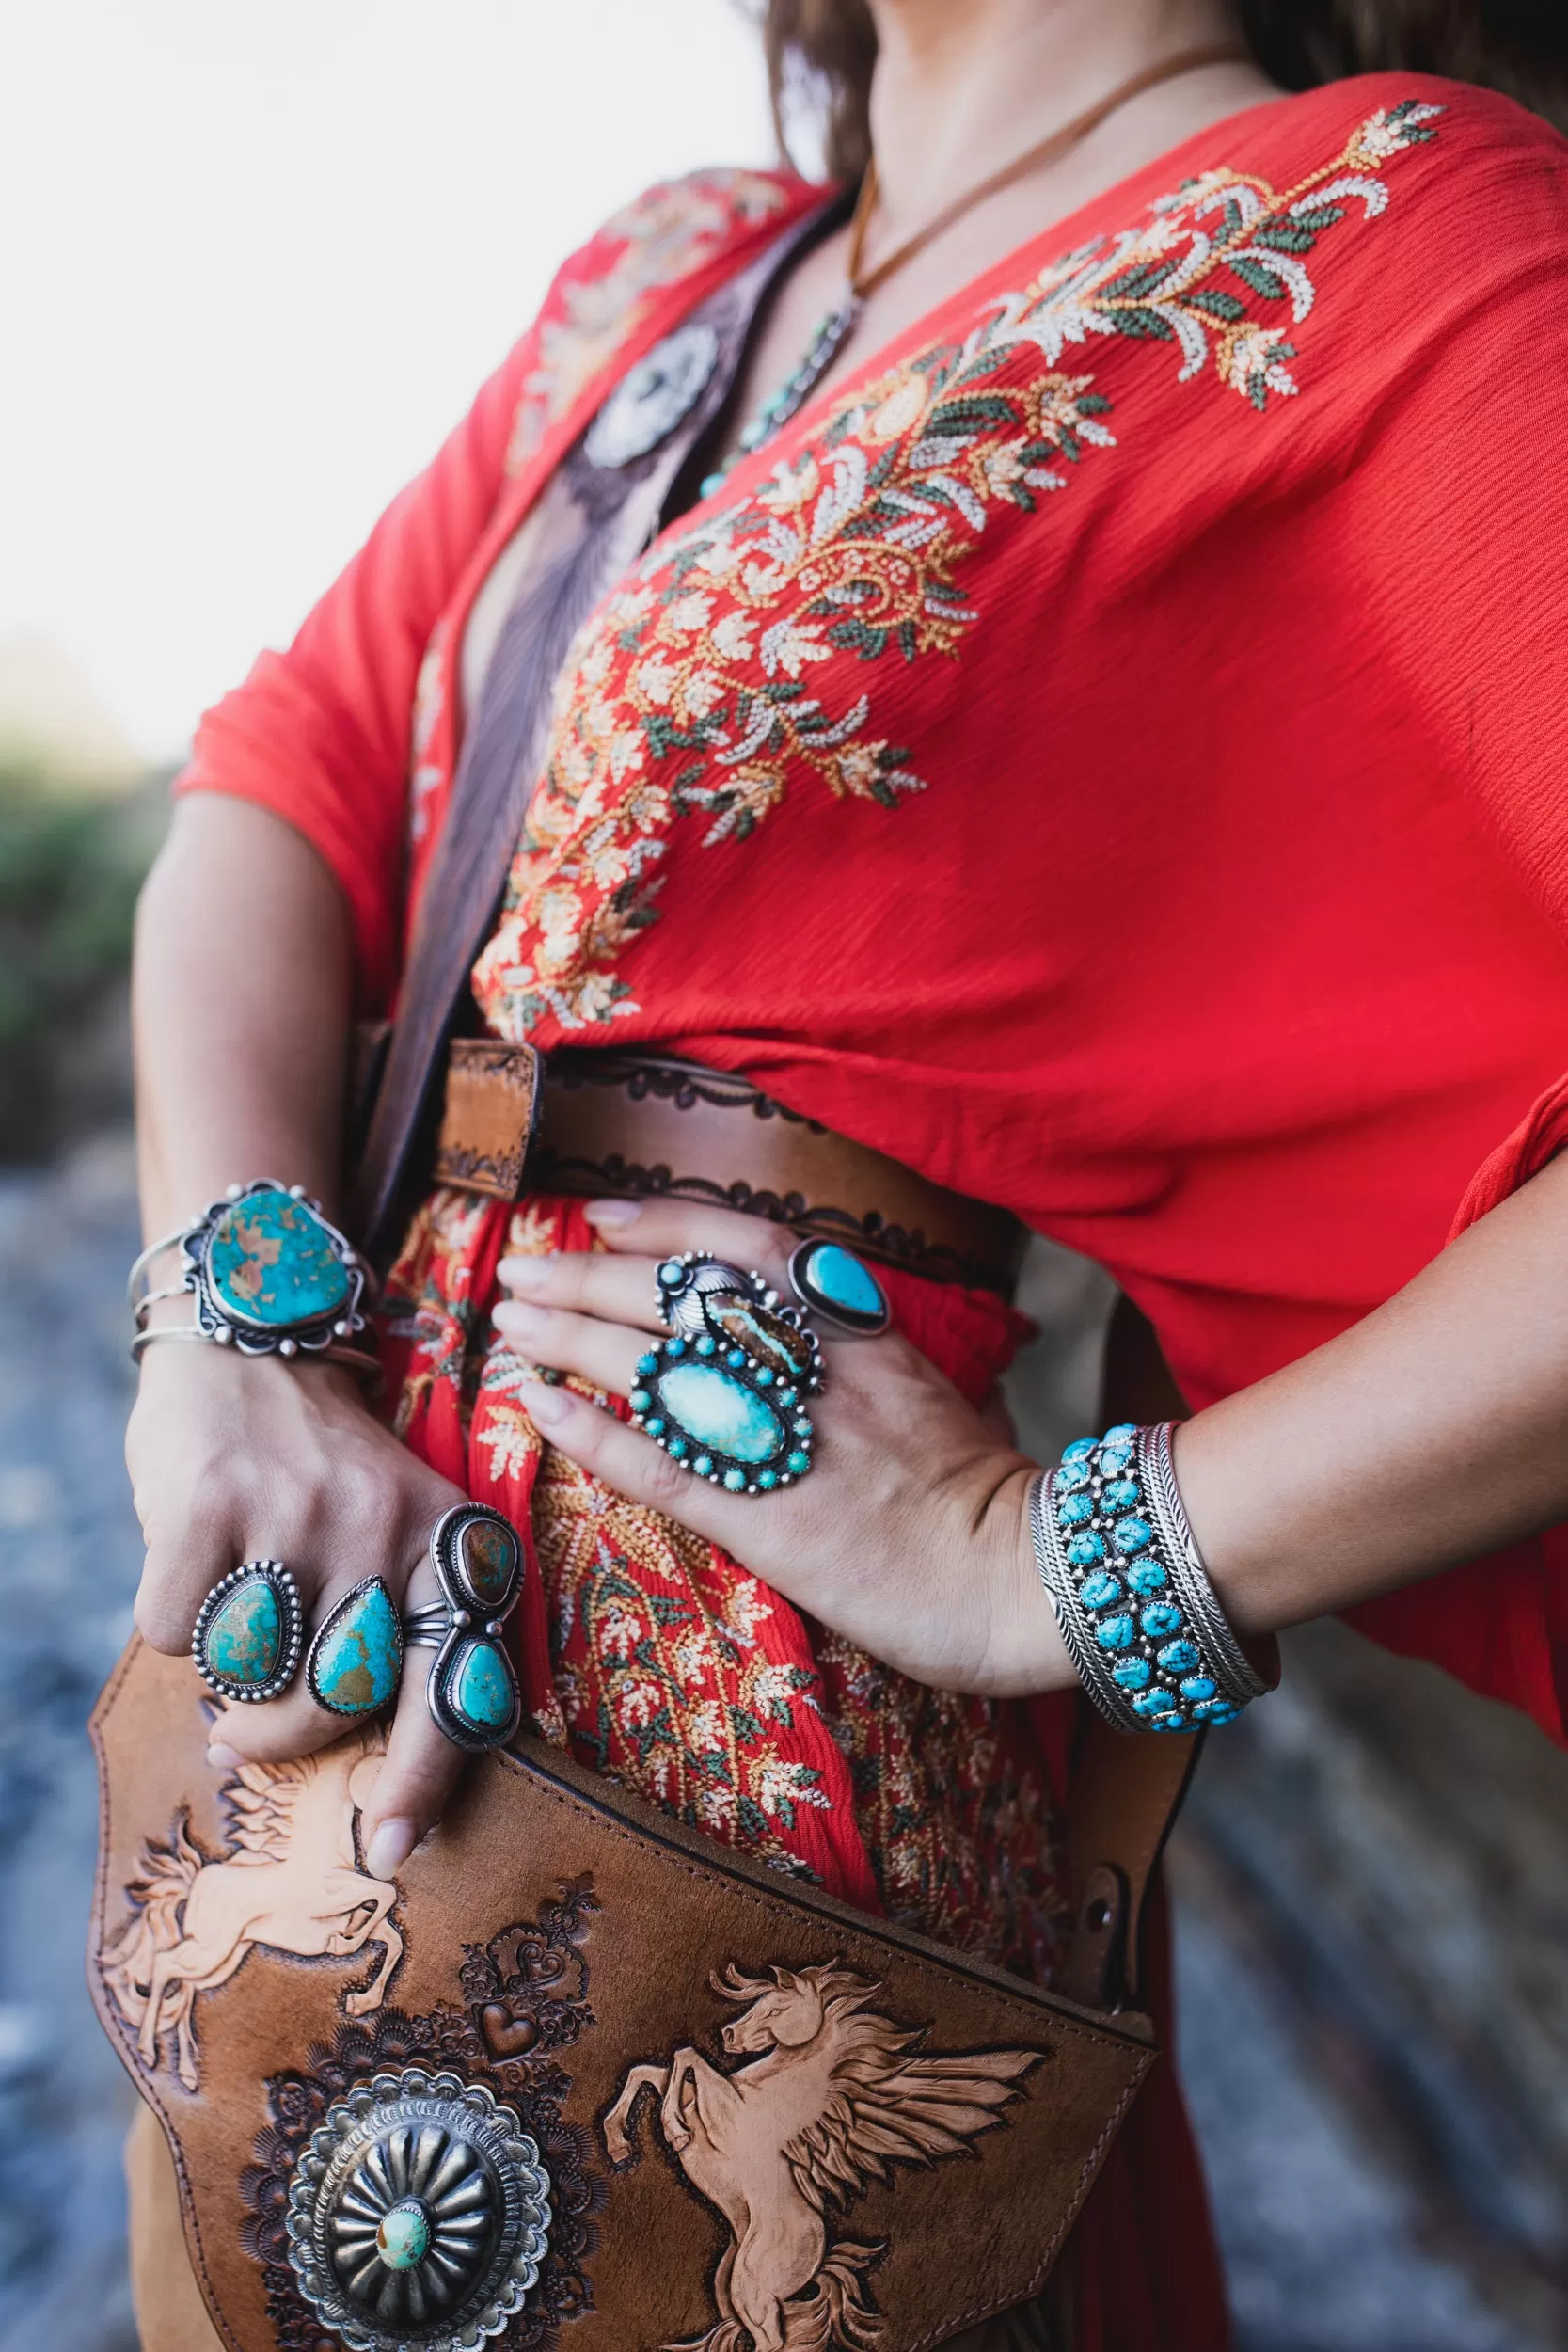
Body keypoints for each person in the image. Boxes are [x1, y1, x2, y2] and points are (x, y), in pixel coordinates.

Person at [120, 0, 1568, 2343]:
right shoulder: (675, 273)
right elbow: (277, 777)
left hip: (765, 1804)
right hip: (302, 1688)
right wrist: (230, 1328)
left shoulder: (1387, 227)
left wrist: (1077, 1565)